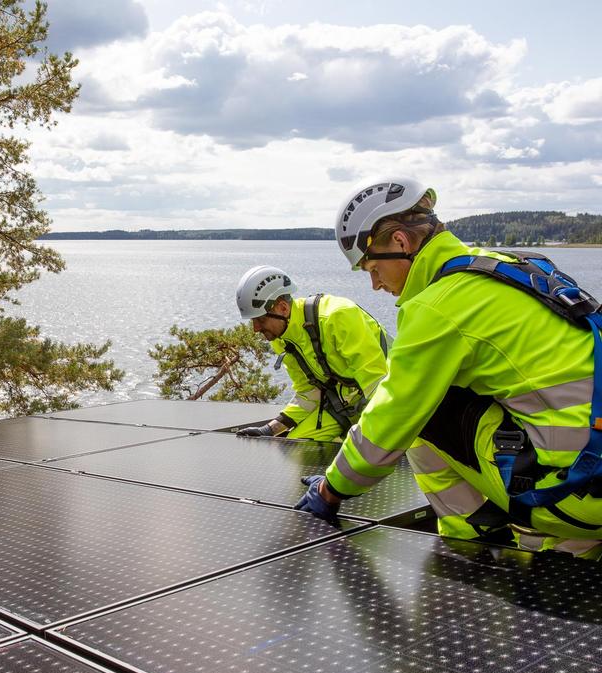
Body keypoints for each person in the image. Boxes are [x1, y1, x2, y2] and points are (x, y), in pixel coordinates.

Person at [295, 177, 602, 559]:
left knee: (420, 415)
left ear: (401, 244)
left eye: (372, 267)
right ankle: (575, 547)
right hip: (594, 470)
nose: (375, 284)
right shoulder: (510, 268)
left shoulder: (437, 307)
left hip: (571, 492)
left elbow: (388, 424)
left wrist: (331, 488)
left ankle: (471, 541)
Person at [234, 265, 390, 441]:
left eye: (260, 319)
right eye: (252, 321)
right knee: (296, 449)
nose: (255, 329)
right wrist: (269, 430)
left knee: (367, 456)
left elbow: (377, 383)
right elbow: (308, 392)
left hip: (389, 400)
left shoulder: (337, 317)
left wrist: (371, 436)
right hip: (345, 404)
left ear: (283, 308)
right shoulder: (282, 339)